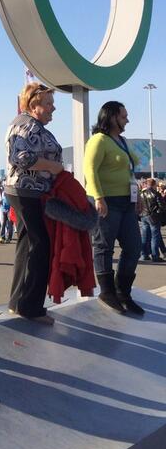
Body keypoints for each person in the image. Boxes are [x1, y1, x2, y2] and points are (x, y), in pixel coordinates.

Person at [4, 82, 63, 325]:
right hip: (27, 190)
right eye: (48, 103)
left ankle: (19, 302)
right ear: (34, 104)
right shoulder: (27, 125)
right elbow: (20, 158)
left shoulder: (26, 124)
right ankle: (30, 307)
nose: (53, 108)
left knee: (28, 245)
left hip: (26, 190)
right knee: (41, 246)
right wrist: (52, 166)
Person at [84, 101, 144, 314]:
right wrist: (98, 198)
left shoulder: (123, 141)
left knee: (134, 247)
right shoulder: (98, 140)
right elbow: (89, 170)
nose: (127, 119)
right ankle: (107, 292)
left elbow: (130, 171)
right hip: (107, 201)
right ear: (111, 118)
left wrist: (137, 195)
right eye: (124, 116)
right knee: (104, 246)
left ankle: (123, 291)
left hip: (127, 202)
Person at [138, 179, 164, 263]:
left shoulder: (141, 193)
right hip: (153, 217)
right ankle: (155, 256)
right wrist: (158, 213)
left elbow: (138, 205)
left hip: (143, 216)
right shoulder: (156, 193)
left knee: (144, 236)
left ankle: (144, 254)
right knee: (155, 237)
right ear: (153, 185)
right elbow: (161, 206)